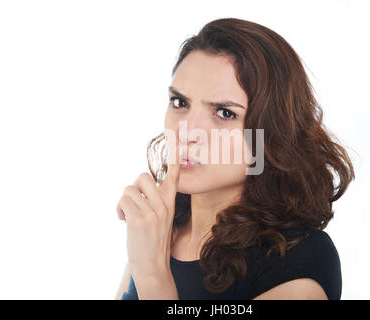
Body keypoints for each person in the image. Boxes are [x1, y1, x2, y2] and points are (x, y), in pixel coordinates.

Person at [115, 17, 355, 300]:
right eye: (180, 103)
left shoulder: (298, 259)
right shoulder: (162, 229)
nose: (187, 132)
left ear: (271, 135)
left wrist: (153, 274)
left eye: (224, 113)